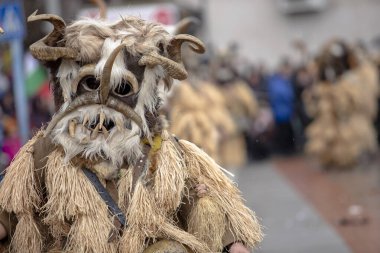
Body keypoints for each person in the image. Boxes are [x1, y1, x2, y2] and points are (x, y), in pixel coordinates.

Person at [0, 11, 262, 253]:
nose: (102, 103)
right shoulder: (47, 151)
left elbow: (199, 202)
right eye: (89, 84)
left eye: (122, 89)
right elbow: (13, 209)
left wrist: (232, 244)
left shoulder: (164, 152)